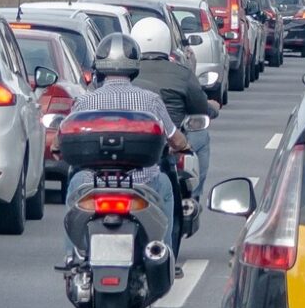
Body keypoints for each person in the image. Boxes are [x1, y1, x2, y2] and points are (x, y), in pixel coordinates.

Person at [62, 33, 189, 261]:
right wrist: (184, 144)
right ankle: (165, 254)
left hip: (91, 183)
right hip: (144, 183)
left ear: (100, 65)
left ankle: (73, 255)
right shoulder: (150, 100)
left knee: (73, 187)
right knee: (166, 185)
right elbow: (175, 139)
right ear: (134, 67)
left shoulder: (85, 101)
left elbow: (63, 139)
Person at [128, 17, 218, 199]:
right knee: (202, 136)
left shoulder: (125, 73)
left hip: (128, 144)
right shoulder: (181, 73)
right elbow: (199, 108)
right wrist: (213, 108)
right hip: (170, 142)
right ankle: (193, 198)